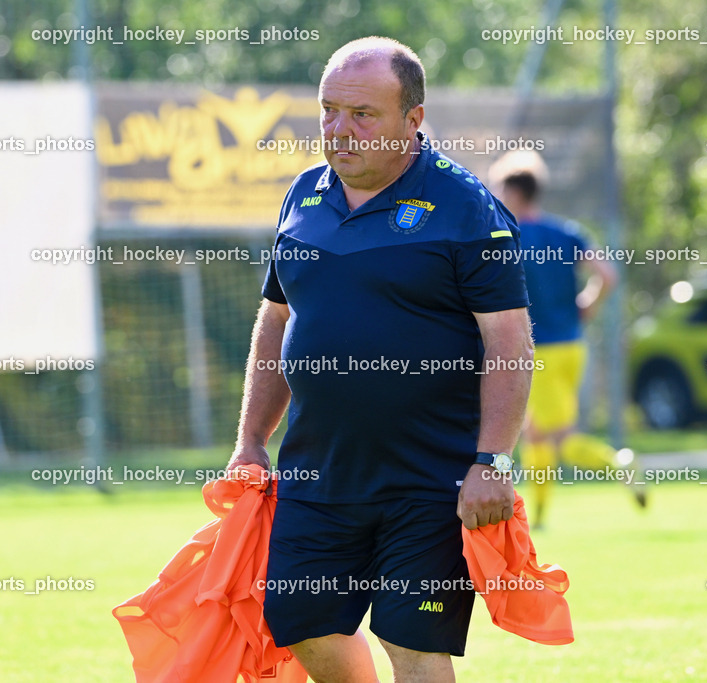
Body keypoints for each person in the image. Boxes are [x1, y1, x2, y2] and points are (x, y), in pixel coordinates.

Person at [227, 37, 534, 682]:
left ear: (412, 119)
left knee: (413, 641)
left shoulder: (465, 206)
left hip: (432, 476)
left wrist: (493, 461)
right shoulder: (302, 197)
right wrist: (251, 439)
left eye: (362, 114)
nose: (340, 130)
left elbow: (509, 341)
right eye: (329, 110)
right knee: (302, 623)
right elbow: (277, 319)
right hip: (318, 473)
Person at [488, 150, 645, 529]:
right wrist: (587, 305)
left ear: (514, 192)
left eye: (500, 190)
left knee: (559, 439)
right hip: (572, 346)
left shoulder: (508, 237)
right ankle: (539, 518)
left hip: (538, 351)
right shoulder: (566, 232)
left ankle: (619, 464)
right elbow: (607, 275)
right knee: (536, 433)